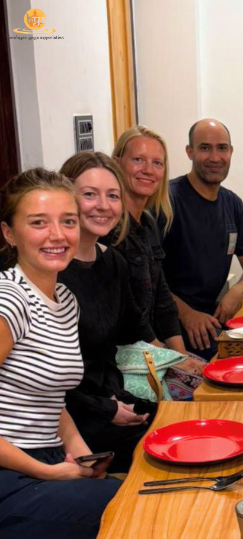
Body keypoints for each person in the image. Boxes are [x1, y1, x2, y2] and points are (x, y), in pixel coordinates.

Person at [0, 168, 120, 539]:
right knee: (135, 519)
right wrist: (48, 473)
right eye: (38, 223)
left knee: (141, 497)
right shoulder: (9, 301)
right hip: (11, 477)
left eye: (67, 221)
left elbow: (52, 399)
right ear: (9, 233)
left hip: (45, 461)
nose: (58, 235)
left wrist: (83, 457)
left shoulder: (64, 298)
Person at [58, 152, 157, 473]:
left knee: (187, 420)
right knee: (162, 450)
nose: (103, 205)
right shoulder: (51, 270)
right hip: (69, 419)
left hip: (111, 398)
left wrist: (186, 364)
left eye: (112, 196)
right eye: (89, 194)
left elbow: (135, 331)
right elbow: (46, 379)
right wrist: (104, 408)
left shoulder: (113, 262)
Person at [161, 119, 243, 360]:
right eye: (205, 148)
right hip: (172, 329)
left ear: (231, 152)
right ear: (189, 152)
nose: (215, 157)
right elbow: (147, 281)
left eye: (222, 148)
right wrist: (187, 314)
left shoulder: (232, 204)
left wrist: (237, 291)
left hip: (213, 323)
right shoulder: (167, 201)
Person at [111, 125, 198, 366]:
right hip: (123, 360)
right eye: (138, 160)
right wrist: (172, 360)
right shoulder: (110, 230)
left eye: (157, 163)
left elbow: (162, 301)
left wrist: (181, 357)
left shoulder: (149, 223)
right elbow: (130, 317)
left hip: (152, 351)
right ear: (117, 163)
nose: (148, 170)